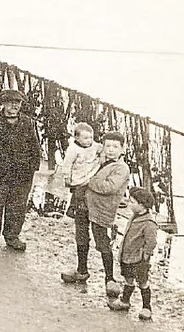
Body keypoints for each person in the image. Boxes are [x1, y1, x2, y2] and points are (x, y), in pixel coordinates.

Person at [61, 131, 130, 295]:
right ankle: (82, 270)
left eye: (115, 147)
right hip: (83, 204)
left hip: (102, 209)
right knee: (81, 236)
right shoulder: (99, 160)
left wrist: (87, 181)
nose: (111, 150)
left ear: (122, 149)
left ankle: (110, 279)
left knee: (102, 242)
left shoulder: (121, 168)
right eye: (108, 146)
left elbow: (109, 187)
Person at [0, 89, 41, 252]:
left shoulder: (27, 122)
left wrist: (32, 167)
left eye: (17, 103)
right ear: (3, 104)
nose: (14, 106)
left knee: (17, 206)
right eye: (10, 102)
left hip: (22, 173)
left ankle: (12, 236)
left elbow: (35, 146)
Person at [109, 186, 158, 321]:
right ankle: (125, 301)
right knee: (128, 279)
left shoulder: (149, 223)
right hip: (127, 256)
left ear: (141, 205)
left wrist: (145, 256)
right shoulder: (134, 217)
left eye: (132, 202)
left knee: (143, 282)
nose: (129, 204)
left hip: (139, 259)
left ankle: (147, 307)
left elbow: (151, 242)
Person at [51, 122, 102, 218]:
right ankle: (72, 208)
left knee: (85, 192)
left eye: (91, 137)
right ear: (76, 138)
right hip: (77, 175)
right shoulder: (73, 149)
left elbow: (102, 149)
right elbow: (67, 164)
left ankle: (82, 208)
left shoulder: (94, 145)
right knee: (78, 193)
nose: (89, 141)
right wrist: (67, 177)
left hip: (90, 173)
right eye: (86, 138)